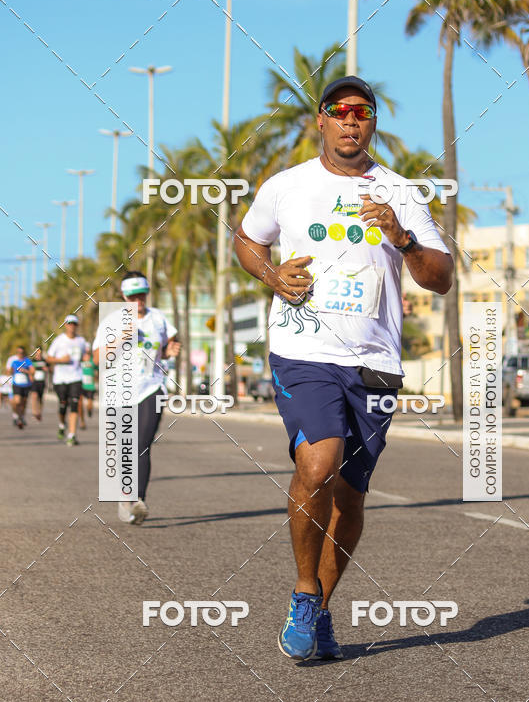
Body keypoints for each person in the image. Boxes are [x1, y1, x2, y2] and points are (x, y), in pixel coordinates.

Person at [235, 76, 453, 661]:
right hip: (303, 351)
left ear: (372, 124)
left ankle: (323, 610)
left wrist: (402, 239)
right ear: (322, 121)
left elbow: (441, 278)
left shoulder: (401, 193)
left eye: (363, 112)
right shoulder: (287, 186)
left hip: (375, 363)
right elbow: (248, 241)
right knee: (319, 463)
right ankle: (304, 594)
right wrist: (272, 276)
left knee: (352, 499)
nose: (351, 121)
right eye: (340, 111)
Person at [93, 271, 181, 525]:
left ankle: (137, 500)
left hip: (152, 388)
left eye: (141, 295)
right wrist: (121, 338)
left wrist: (169, 351)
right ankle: (125, 496)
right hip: (120, 392)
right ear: (123, 296)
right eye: (132, 296)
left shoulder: (159, 319)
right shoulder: (112, 321)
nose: (138, 300)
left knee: (142, 444)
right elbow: (98, 358)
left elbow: (166, 347)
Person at [47, 315, 88, 446]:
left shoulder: (81, 341)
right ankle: (61, 424)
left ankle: (72, 435)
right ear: (65, 325)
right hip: (60, 379)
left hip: (76, 377)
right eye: (69, 323)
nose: (72, 326)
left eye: (74, 324)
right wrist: (60, 360)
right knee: (63, 405)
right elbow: (48, 358)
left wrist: (86, 358)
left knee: (75, 405)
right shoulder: (59, 341)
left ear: (77, 326)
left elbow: (84, 356)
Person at [5, 345, 35, 429]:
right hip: (16, 384)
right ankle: (17, 416)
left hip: (26, 385)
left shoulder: (27, 361)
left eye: (21, 353)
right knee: (17, 401)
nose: (20, 354)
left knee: (24, 403)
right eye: (18, 353)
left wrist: (26, 371)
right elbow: (8, 372)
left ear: (24, 353)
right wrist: (11, 371)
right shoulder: (14, 361)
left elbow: (32, 371)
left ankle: (21, 417)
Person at [79, 343, 98, 429]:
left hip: (90, 386)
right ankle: (82, 421)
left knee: (89, 404)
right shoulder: (79, 362)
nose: (86, 353)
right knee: (79, 404)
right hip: (80, 385)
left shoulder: (92, 361)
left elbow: (98, 369)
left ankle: (89, 411)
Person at [31, 347, 49, 421]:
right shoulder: (32, 361)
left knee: (40, 398)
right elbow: (30, 370)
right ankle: (35, 412)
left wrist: (46, 369)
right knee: (34, 396)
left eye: (38, 351)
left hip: (42, 381)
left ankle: (39, 412)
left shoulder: (44, 361)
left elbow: (49, 369)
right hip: (34, 381)